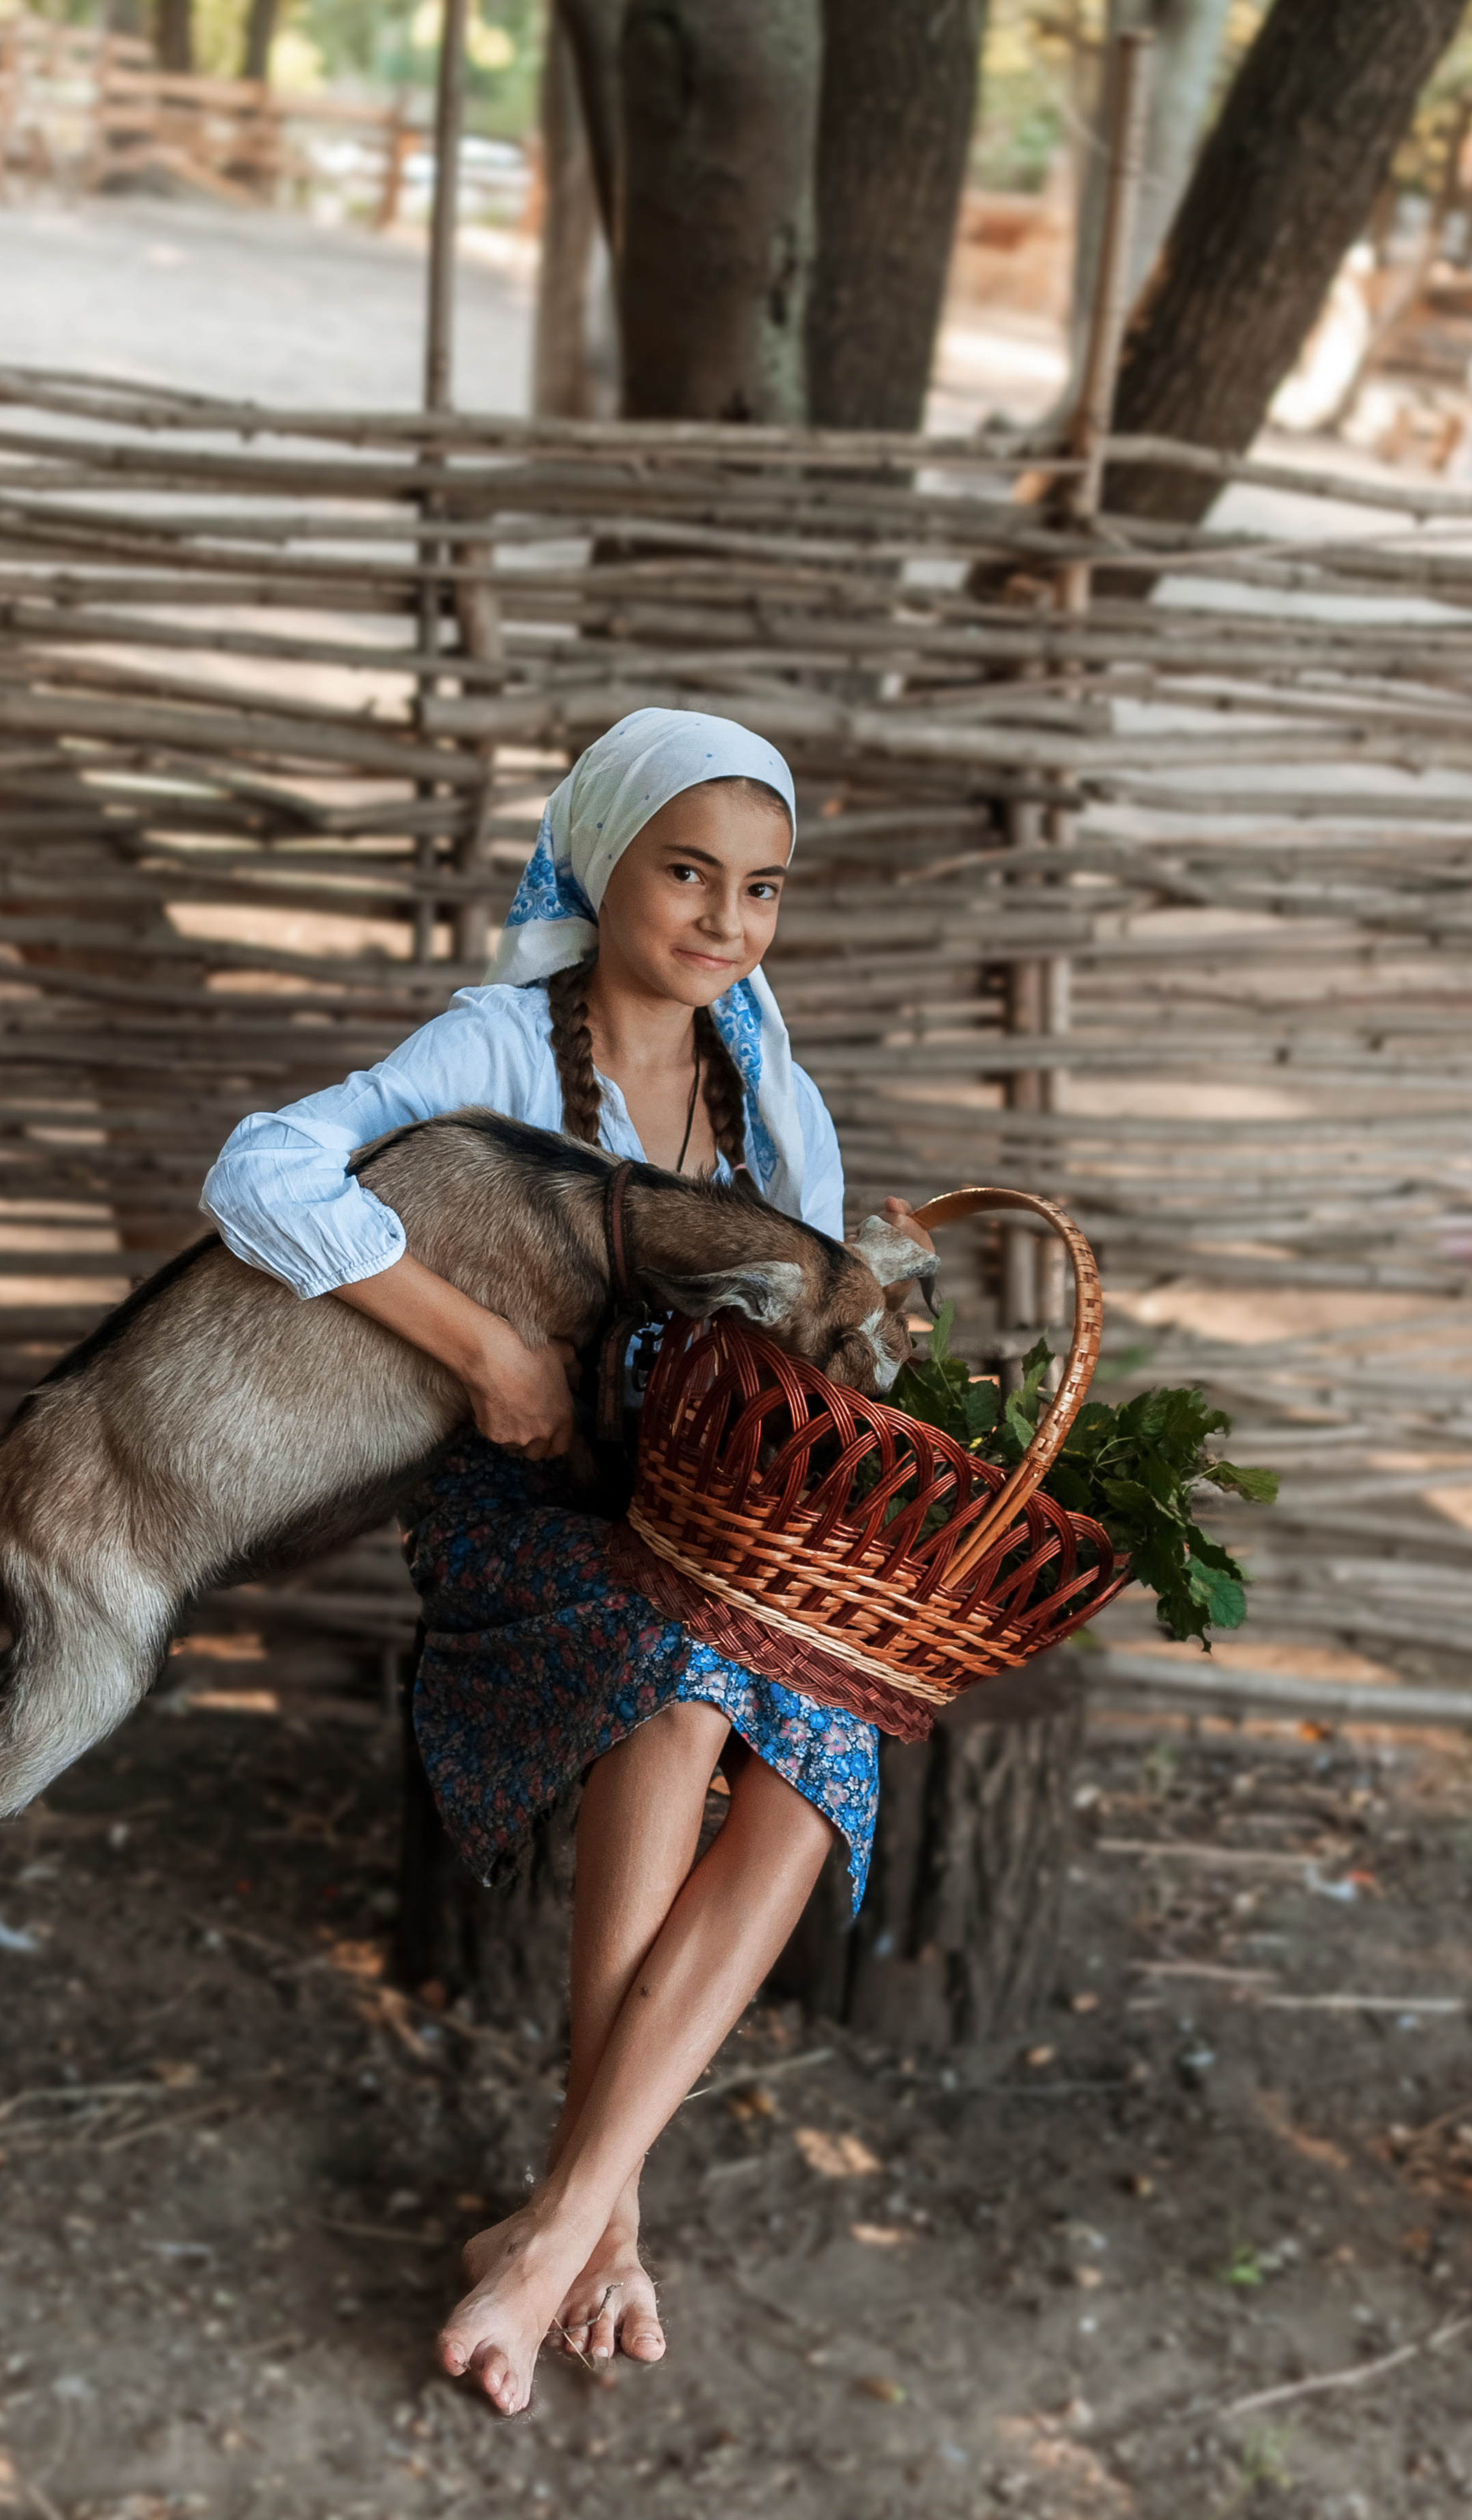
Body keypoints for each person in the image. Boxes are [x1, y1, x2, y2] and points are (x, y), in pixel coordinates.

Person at [202, 708, 931, 2417]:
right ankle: (600, 2223)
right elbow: (258, 1167)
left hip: (700, 1515)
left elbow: (822, 1340)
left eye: (762, 887)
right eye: (687, 872)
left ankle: (566, 2214)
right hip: (523, 1506)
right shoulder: (499, 1047)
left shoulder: (774, 1101)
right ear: (602, 864)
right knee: (681, 1689)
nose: (726, 920)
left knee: (826, 1736)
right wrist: (486, 1348)